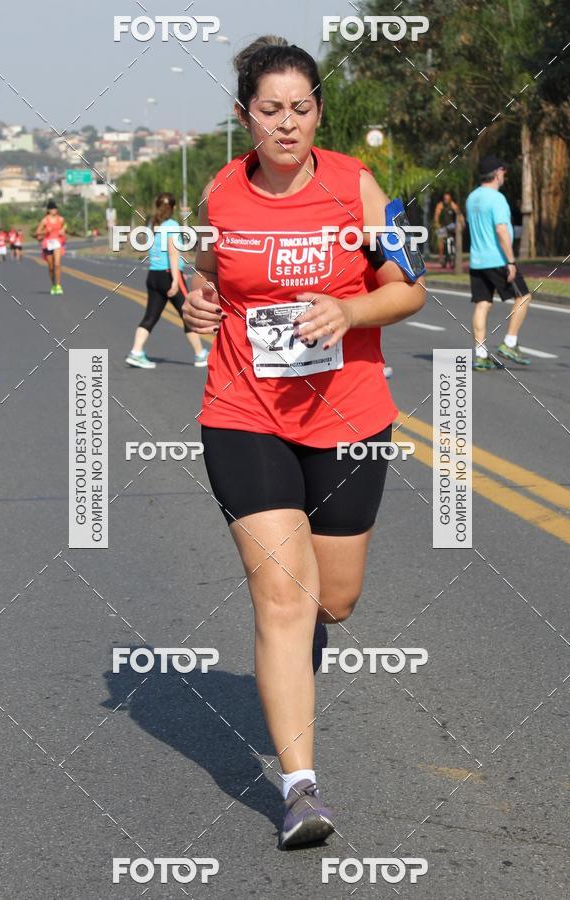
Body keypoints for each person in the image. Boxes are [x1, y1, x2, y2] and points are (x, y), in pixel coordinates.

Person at [183, 36, 425, 849]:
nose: (287, 124)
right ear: (243, 114)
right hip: (243, 410)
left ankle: (298, 648)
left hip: (349, 414)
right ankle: (300, 788)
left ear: (319, 108)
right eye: (270, 109)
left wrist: (350, 312)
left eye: (302, 107)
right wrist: (200, 304)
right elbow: (211, 270)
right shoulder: (221, 191)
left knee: (334, 600)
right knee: (282, 600)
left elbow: (411, 285)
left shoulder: (358, 186)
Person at [125, 191, 209, 369]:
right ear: (173, 208)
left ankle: (136, 351)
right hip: (168, 275)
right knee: (188, 314)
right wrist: (174, 279)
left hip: (153, 275)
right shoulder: (172, 225)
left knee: (150, 316)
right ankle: (200, 355)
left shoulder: (152, 224)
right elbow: (172, 252)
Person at [466, 155, 531, 369]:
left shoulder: (472, 198)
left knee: (482, 304)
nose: (504, 174)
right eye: (503, 171)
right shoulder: (496, 198)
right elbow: (501, 230)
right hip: (497, 259)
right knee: (523, 296)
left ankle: (480, 355)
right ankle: (509, 342)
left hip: (477, 261)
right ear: (495, 174)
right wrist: (511, 261)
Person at [36, 199, 66, 295]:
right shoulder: (45, 220)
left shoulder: (61, 219)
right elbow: (37, 232)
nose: (54, 210)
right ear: (48, 210)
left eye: (55, 209)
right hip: (48, 243)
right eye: (52, 209)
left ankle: (58, 285)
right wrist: (45, 231)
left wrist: (63, 230)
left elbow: (65, 226)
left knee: (57, 264)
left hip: (57, 242)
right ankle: (53, 284)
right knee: (51, 266)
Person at [433, 190, 464, 266]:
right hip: (442, 226)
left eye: (447, 198)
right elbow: (436, 215)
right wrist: (437, 224)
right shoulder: (440, 205)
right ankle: (441, 258)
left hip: (451, 225)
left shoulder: (452, 204)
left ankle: (454, 255)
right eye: (445, 198)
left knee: (456, 237)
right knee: (441, 243)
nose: (446, 200)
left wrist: (462, 222)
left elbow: (459, 213)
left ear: (450, 198)